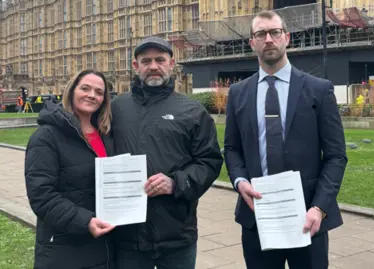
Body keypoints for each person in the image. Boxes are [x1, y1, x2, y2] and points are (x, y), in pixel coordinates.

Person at [223, 10, 348, 269]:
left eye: (274, 32)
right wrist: (239, 181)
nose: (268, 39)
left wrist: (319, 208)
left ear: (286, 37)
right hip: (258, 216)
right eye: (260, 34)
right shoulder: (238, 93)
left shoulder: (319, 89)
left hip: (307, 216)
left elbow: (336, 156)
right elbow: (232, 148)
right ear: (252, 42)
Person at [109, 36, 223, 269]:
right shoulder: (116, 108)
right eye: (146, 60)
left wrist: (176, 183)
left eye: (160, 60)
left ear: (172, 64)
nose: (153, 66)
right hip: (127, 236)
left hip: (176, 234)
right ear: (135, 65)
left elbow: (209, 162)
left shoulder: (192, 110)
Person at [24, 69, 116, 269]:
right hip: (66, 246)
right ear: (71, 91)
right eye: (85, 88)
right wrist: (85, 222)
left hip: (106, 245)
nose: (92, 95)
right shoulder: (46, 136)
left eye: (99, 92)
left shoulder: (106, 134)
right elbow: (41, 196)